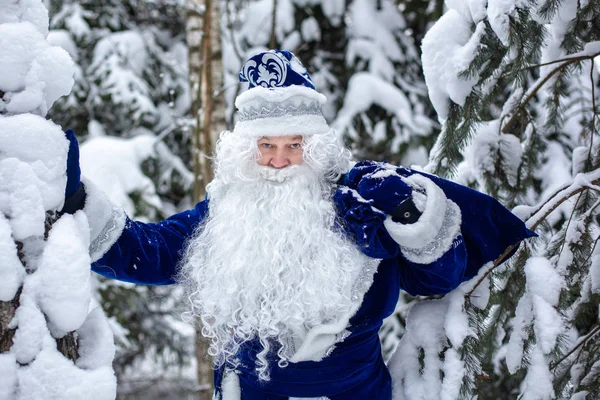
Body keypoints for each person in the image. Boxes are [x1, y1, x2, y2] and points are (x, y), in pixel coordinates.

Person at [62, 50, 535, 400]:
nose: (281, 160)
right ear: (246, 149)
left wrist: (412, 217)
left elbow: (438, 279)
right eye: (267, 145)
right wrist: (76, 203)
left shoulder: (361, 203)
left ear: (317, 144)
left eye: (295, 144)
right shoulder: (227, 213)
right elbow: (149, 253)